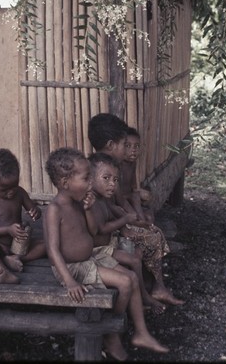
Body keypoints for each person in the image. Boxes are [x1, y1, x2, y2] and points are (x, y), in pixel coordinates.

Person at [43, 147, 169, 361]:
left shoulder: (78, 203)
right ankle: (111, 334)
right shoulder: (54, 210)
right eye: (86, 179)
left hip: (90, 258)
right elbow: (52, 250)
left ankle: (140, 333)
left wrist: (89, 209)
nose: (90, 184)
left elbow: (93, 231)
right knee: (125, 282)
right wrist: (70, 281)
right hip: (73, 268)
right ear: (65, 183)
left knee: (131, 278)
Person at [88, 115, 184, 306]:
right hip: (101, 238)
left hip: (113, 225)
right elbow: (104, 211)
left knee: (150, 229)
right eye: (124, 144)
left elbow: (115, 203)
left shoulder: (105, 167)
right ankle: (156, 288)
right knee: (152, 236)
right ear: (110, 145)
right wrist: (127, 223)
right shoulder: (100, 172)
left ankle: (155, 286)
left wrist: (131, 217)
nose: (127, 149)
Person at [88, 151, 166, 315]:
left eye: (115, 180)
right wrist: (124, 221)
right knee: (133, 262)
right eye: (106, 178)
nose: (112, 184)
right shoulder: (92, 203)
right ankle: (136, 301)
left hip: (108, 245)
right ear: (90, 179)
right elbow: (101, 228)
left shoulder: (102, 198)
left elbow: (116, 212)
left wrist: (131, 223)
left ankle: (143, 294)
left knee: (137, 257)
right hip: (98, 251)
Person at [0, 148, 46, 284]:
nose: (11, 192)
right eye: (4, 189)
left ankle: (16, 258)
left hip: (18, 245)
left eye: (14, 185)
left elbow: (33, 209)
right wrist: (8, 229)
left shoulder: (20, 193)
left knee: (48, 244)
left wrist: (36, 212)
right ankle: (2, 271)